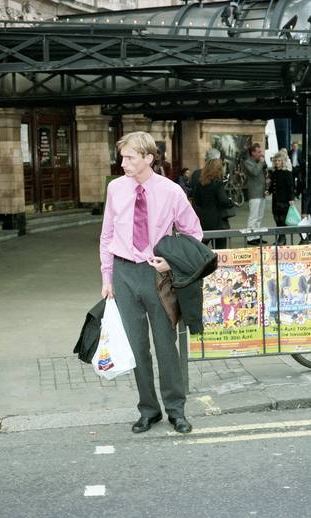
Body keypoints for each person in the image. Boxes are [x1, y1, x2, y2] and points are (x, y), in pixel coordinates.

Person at [99, 131, 202, 434]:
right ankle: (149, 409)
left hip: (157, 275)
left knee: (165, 345)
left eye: (129, 157)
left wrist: (172, 262)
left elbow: (194, 233)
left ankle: (176, 410)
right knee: (136, 347)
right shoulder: (116, 189)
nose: (123, 163)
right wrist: (107, 277)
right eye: (122, 157)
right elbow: (106, 236)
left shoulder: (171, 191)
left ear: (148, 157)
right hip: (124, 274)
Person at [192, 157, 233, 249]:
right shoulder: (218, 183)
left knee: (201, 248)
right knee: (220, 249)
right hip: (218, 221)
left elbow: (197, 201)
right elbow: (223, 201)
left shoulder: (200, 184)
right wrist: (230, 202)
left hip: (204, 220)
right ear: (218, 169)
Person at [243, 143, 268, 244]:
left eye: (260, 152)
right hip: (254, 193)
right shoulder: (247, 162)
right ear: (253, 152)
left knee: (259, 216)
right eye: (258, 152)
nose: (260, 154)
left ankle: (256, 235)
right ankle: (250, 237)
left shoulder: (258, 162)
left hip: (261, 192)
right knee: (253, 216)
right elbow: (254, 172)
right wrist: (261, 163)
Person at [268, 154, 295, 245]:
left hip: (284, 200)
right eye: (275, 161)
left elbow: (290, 187)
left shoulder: (287, 173)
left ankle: (282, 239)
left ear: (283, 162)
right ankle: (281, 238)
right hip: (275, 200)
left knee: (283, 220)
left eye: (279, 161)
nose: (277, 162)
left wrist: (291, 198)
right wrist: (268, 191)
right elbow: (273, 185)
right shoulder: (274, 173)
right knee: (276, 219)